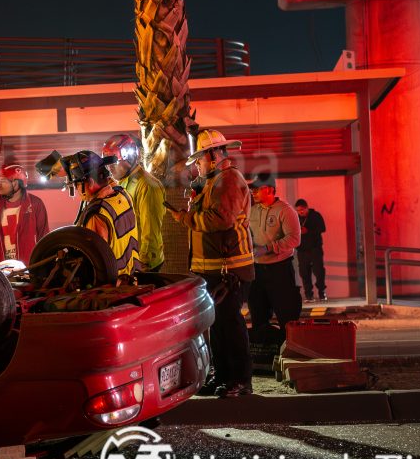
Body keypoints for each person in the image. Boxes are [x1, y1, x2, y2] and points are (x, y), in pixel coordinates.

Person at [167, 129, 255, 398]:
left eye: (201, 159)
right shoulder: (214, 181)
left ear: (214, 155)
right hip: (213, 269)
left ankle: (240, 381)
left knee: (231, 326)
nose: (198, 166)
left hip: (229, 270)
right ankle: (224, 377)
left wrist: (185, 218)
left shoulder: (229, 180)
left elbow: (221, 220)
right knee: (217, 327)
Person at [60, 150, 142, 277]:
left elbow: (93, 260)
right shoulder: (123, 194)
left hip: (113, 289)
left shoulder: (97, 214)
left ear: (91, 182)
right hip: (132, 278)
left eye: (77, 184)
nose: (76, 190)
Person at [102, 133, 165, 272]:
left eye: (114, 162)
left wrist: (143, 264)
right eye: (108, 164)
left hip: (144, 265)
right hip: (130, 263)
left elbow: (150, 230)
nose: (110, 168)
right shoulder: (123, 184)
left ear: (129, 158)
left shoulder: (147, 185)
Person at [247, 175, 302, 331]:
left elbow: (294, 239)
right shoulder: (252, 211)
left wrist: (268, 248)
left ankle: (288, 351)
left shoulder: (285, 211)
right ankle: (265, 352)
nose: (253, 192)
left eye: (257, 189)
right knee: (258, 318)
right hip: (257, 272)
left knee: (287, 318)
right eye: (253, 189)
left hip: (280, 272)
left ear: (270, 189)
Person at [0, 164, 50, 264]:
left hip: (30, 267)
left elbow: (44, 238)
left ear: (15, 183)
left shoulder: (35, 204)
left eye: (3, 181)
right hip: (3, 269)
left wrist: (42, 266)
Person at [295, 199, 327, 302]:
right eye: (298, 210)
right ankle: (309, 295)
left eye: (302, 210)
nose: (300, 212)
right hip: (302, 250)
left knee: (319, 271)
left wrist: (308, 231)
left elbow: (322, 228)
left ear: (306, 207)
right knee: (304, 272)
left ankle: (322, 292)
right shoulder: (296, 218)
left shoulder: (315, 216)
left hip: (315, 249)